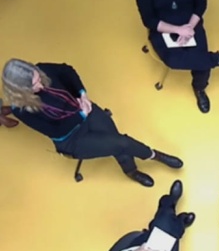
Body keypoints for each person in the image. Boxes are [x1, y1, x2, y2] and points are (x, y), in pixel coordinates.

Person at [2, 58, 183, 187]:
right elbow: (55, 131)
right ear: (20, 90)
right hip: (70, 137)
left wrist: (82, 94)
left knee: (116, 141)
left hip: (82, 108)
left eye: (38, 78)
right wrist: (81, 114)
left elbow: (67, 70)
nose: (40, 84)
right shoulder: (21, 110)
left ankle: (130, 169)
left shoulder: (42, 70)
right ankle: (153, 156)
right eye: (33, 85)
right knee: (121, 142)